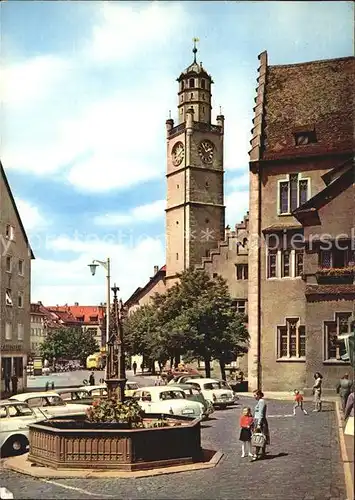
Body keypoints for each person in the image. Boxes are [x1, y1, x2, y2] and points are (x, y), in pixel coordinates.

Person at [251, 389, 270, 461]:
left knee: (258, 438)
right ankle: (263, 453)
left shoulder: (261, 402)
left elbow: (261, 414)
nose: (254, 397)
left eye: (255, 395)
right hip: (258, 421)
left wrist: (258, 424)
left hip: (260, 422)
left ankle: (256, 454)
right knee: (262, 437)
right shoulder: (259, 401)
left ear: (259, 395)